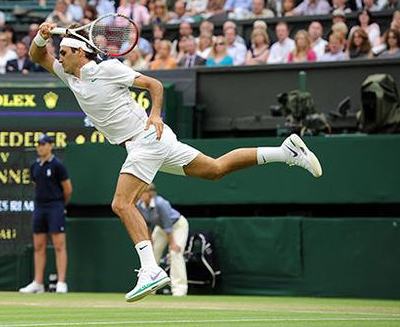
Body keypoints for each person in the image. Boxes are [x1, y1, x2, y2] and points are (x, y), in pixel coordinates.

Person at [29, 21, 322, 302]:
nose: (59, 57)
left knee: (121, 203)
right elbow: (37, 54)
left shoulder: (107, 69)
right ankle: (285, 153)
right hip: (154, 142)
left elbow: (154, 84)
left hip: (145, 139)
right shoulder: (69, 75)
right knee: (215, 169)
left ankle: (150, 269)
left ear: (80, 52)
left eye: (64, 52)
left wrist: (154, 115)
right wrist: (43, 37)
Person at [19, 135, 73, 295]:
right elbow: (37, 185)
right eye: (38, 144)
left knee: (59, 245)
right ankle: (38, 282)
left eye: (43, 144)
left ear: (50, 145)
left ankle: (62, 282)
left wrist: (60, 204)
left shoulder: (58, 165)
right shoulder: (34, 166)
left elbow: (68, 189)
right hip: (39, 207)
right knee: (38, 246)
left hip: (55, 206)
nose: (40, 147)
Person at [137, 184, 189, 297]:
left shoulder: (161, 203)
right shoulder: (139, 205)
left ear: (149, 194)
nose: (139, 195)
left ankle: (179, 290)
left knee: (175, 253)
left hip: (177, 225)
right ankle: (150, 287)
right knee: (151, 254)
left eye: (142, 192)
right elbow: (147, 225)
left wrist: (172, 244)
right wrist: (149, 241)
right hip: (160, 228)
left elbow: (168, 225)